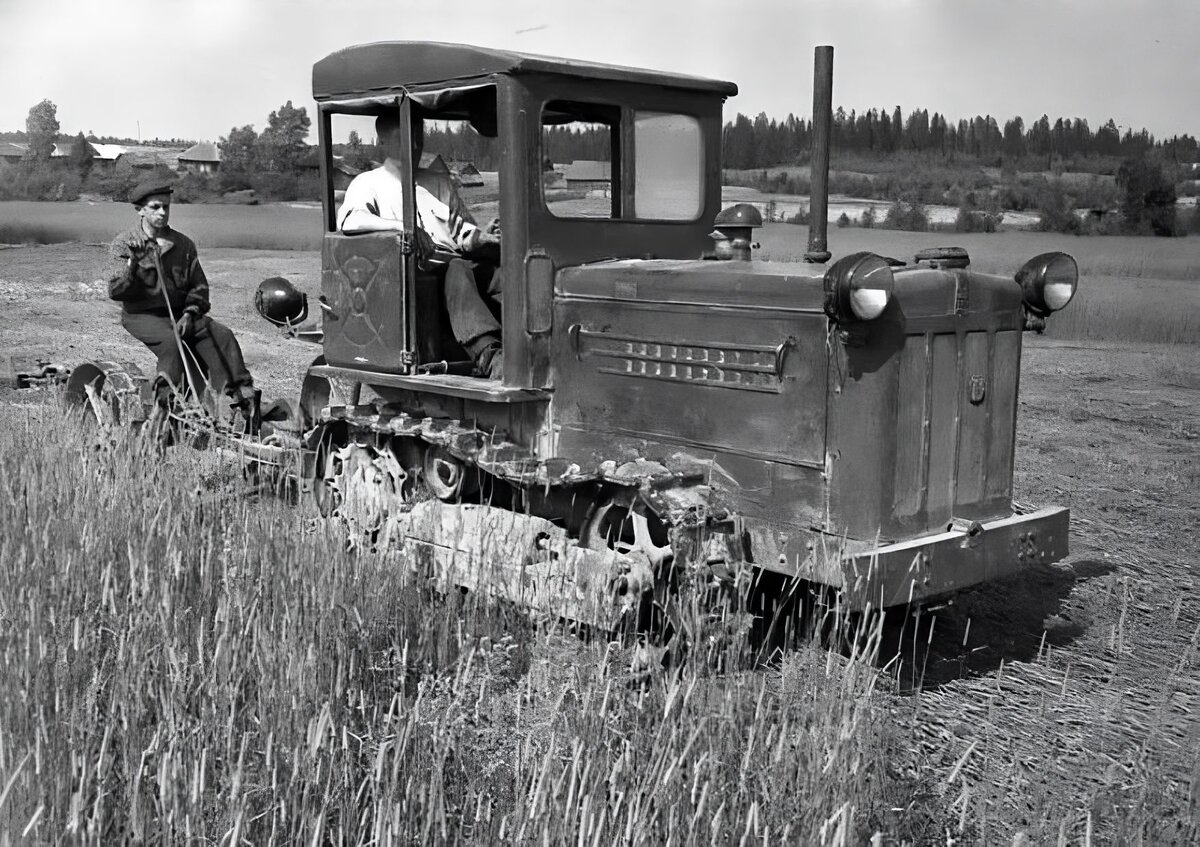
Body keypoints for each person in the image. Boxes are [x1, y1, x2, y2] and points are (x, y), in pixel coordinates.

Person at [338, 113, 504, 379]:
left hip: (458, 270)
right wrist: (401, 227)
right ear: (382, 142)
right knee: (458, 268)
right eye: (405, 138)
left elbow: (461, 231)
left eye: (418, 137)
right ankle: (489, 354)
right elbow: (350, 220)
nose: (415, 145)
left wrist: (482, 237)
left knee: (503, 271)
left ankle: (531, 342)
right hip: (413, 279)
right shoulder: (368, 183)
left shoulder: (438, 182)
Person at [107, 178, 259, 428]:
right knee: (172, 343)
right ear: (140, 210)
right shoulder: (124, 244)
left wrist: (190, 313)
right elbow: (115, 290)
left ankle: (243, 404)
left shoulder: (184, 244)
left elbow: (199, 287)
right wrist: (132, 265)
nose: (162, 212)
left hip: (181, 314)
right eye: (155, 207)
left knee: (222, 335)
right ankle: (165, 408)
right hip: (142, 316)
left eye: (166, 207)